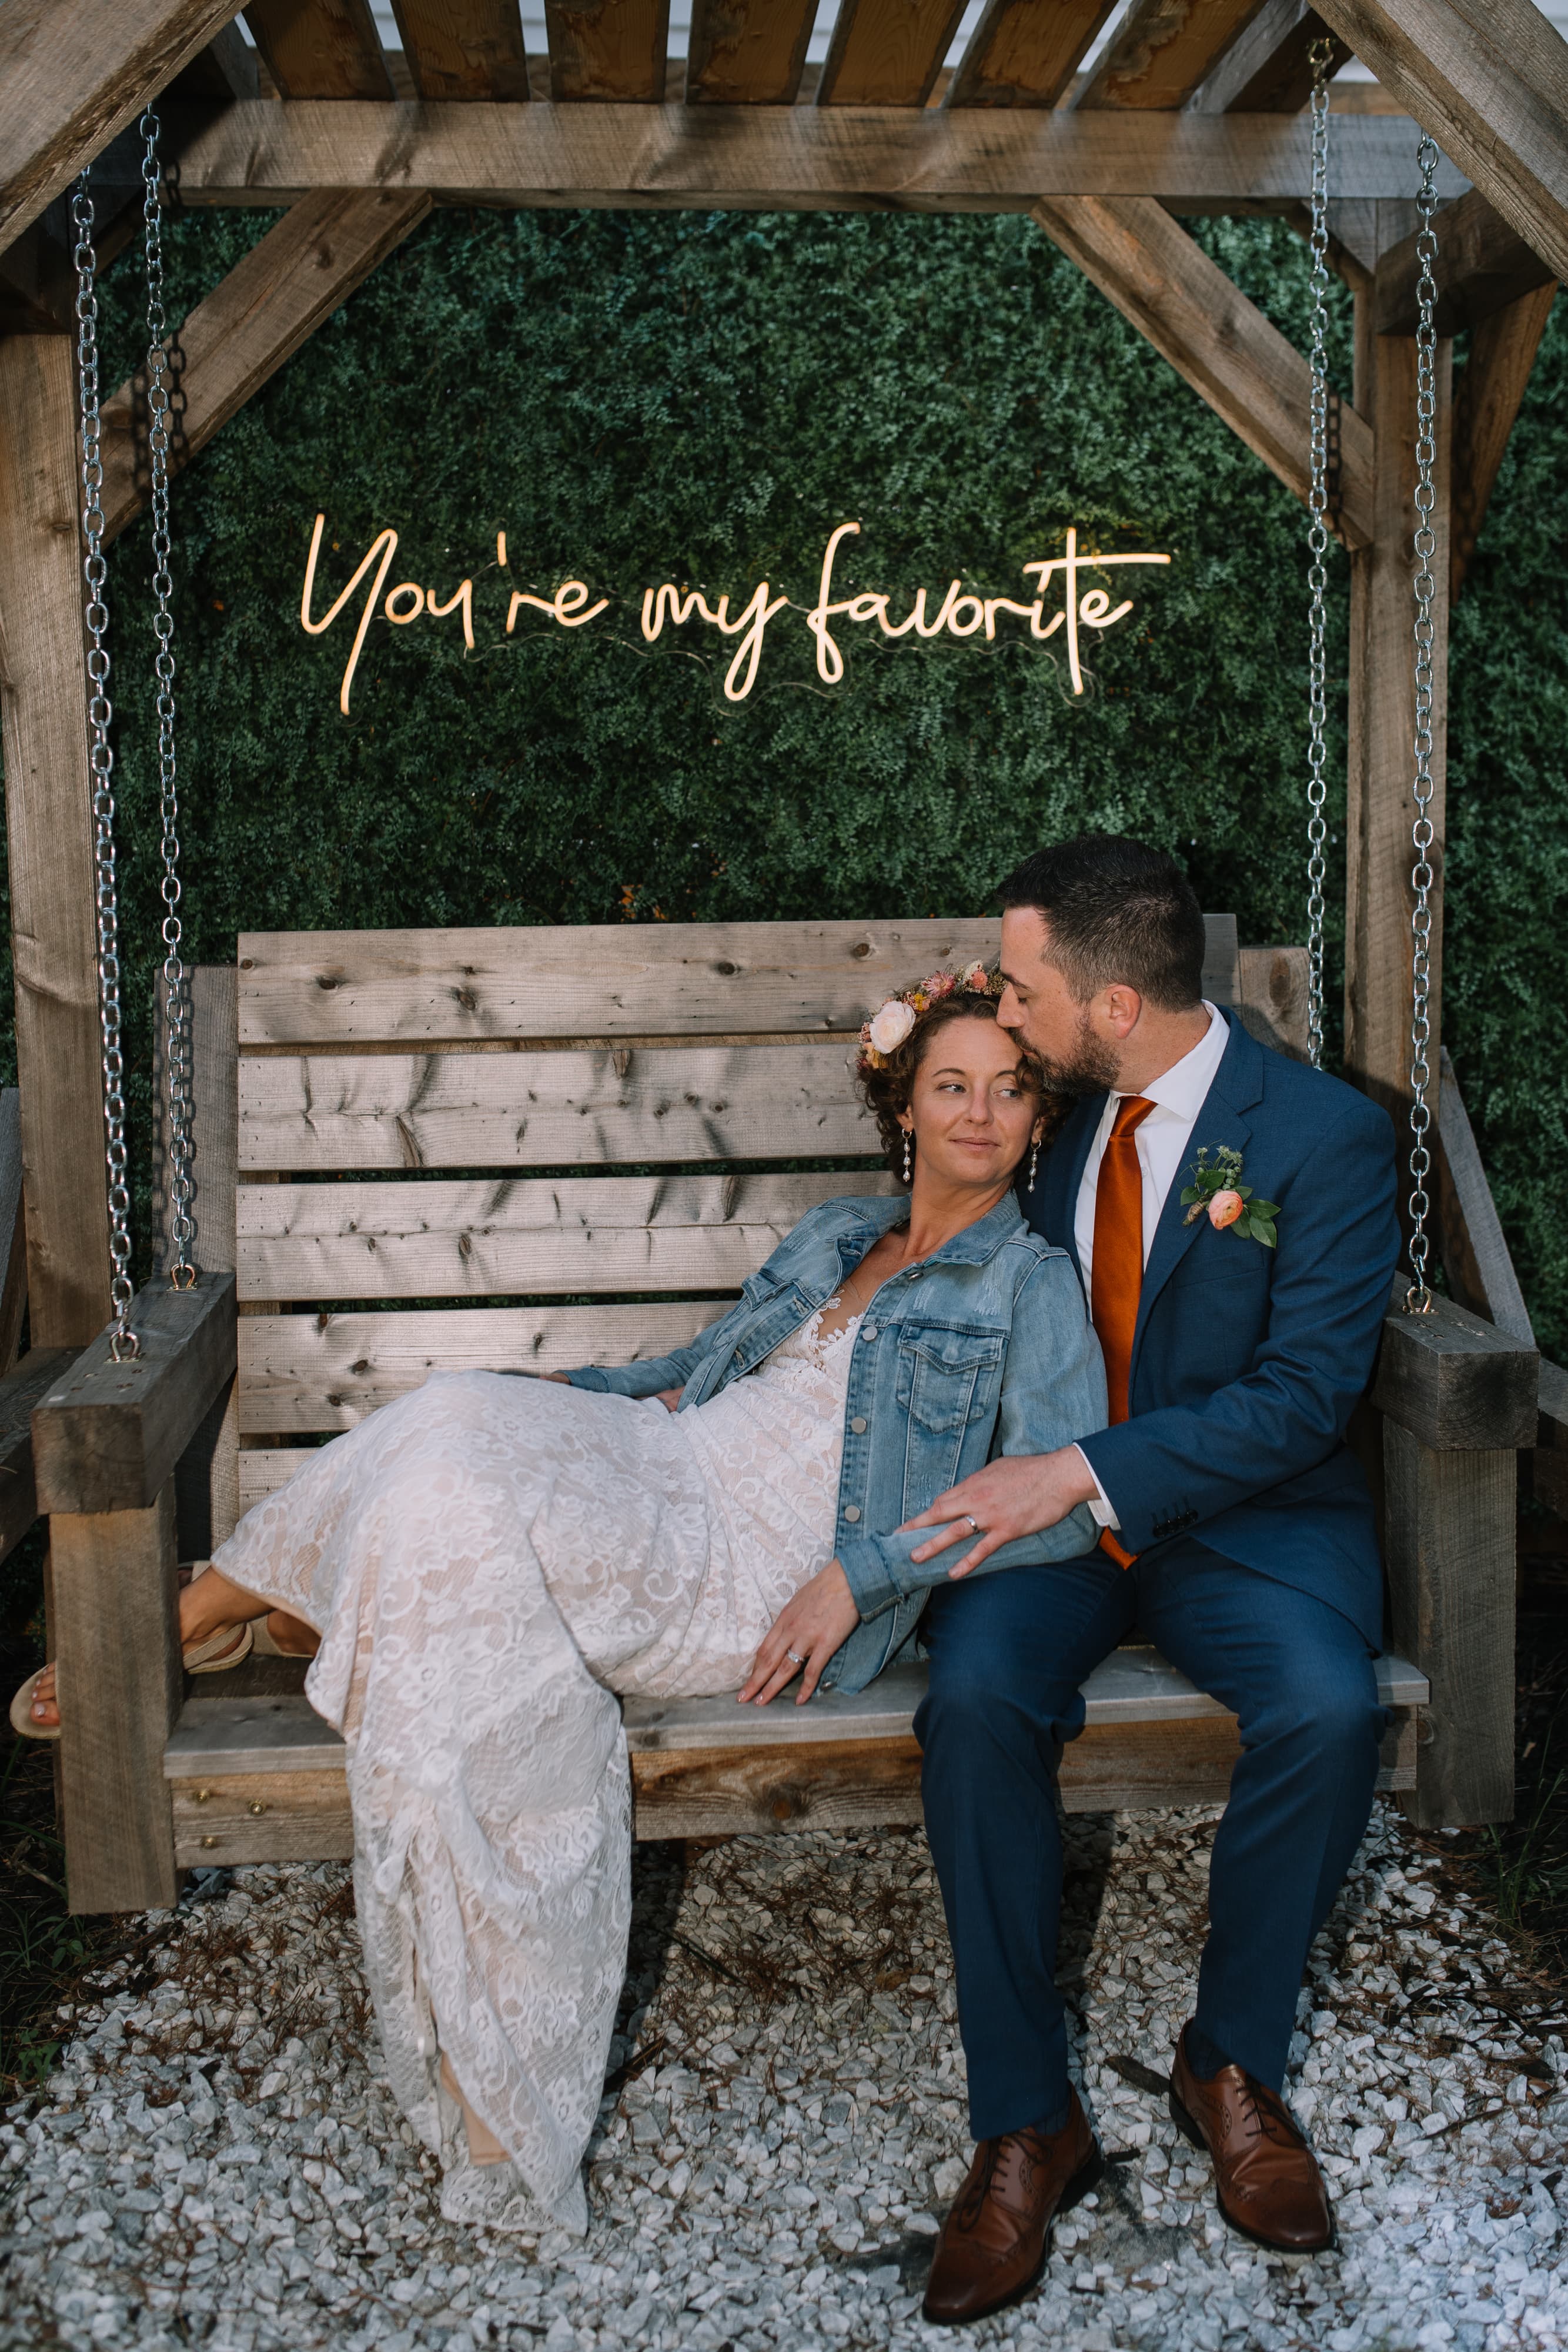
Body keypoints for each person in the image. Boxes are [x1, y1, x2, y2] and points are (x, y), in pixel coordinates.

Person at [14, 967, 1106, 2237]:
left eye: (1007, 1090)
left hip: (747, 1571)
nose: (978, 1112)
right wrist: (573, 1400)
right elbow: (702, 1370)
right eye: (950, 1085)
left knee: (458, 1491)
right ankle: (247, 1609)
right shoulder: (839, 1232)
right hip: (671, 1467)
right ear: (903, 1107)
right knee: (458, 1412)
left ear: (1036, 1119)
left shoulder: (1028, 1282)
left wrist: (863, 1574)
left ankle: (220, 1616)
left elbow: (1062, 1503)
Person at [902, 836, 1400, 2326]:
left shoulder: (1322, 1136)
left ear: (1112, 1003)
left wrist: (1081, 1469)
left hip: (1248, 1521)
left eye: (1022, 984)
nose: (1003, 1006)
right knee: (973, 1697)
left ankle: (1228, 2059)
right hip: (1054, 1528)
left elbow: (1303, 1396)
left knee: (1324, 1706)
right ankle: (1023, 2115)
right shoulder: (1052, 1113)